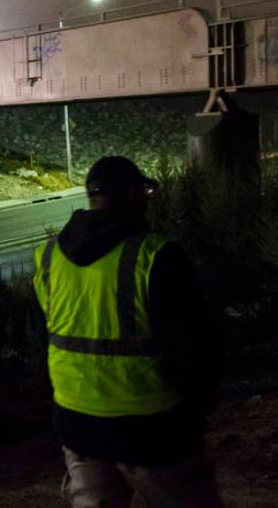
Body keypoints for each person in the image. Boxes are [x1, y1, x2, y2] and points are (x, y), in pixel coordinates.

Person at [33, 156, 223, 508]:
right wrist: (199, 409)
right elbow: (196, 345)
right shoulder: (157, 257)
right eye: (146, 191)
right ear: (135, 194)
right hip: (153, 428)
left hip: (77, 424)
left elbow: (53, 334)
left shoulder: (48, 257)